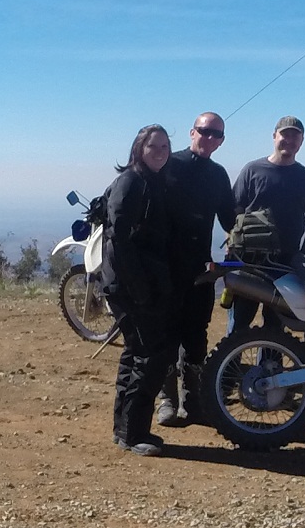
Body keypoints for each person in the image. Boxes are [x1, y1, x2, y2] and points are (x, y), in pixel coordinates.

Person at [99, 124, 182, 456]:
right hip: (131, 287)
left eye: (164, 147)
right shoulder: (131, 182)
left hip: (142, 283)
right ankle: (133, 434)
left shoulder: (152, 181)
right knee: (150, 356)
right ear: (138, 149)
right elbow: (119, 240)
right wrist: (139, 289)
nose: (160, 152)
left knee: (136, 353)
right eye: (153, 146)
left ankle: (125, 429)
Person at [159, 111, 236, 426]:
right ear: (192, 132)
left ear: (221, 141)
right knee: (166, 333)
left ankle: (191, 401)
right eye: (204, 131)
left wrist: (245, 235)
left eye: (216, 134)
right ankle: (166, 400)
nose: (209, 137)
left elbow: (230, 219)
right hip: (164, 265)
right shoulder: (169, 164)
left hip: (199, 267)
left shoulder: (218, 175)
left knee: (195, 334)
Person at [227, 116, 305, 335]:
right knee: (239, 324)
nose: (289, 140)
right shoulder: (253, 170)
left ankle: (269, 359)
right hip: (250, 261)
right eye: (284, 134)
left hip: (285, 264)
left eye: (295, 136)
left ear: (302, 141)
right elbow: (235, 210)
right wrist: (233, 242)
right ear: (274, 136)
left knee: (276, 327)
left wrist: (303, 253)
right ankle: (231, 358)